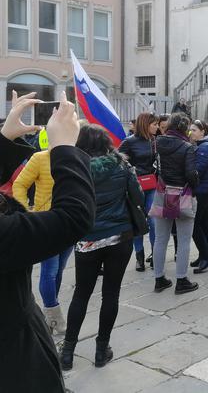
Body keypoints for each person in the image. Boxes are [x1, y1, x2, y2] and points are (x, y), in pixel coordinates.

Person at [1, 91, 95, 392]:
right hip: (17, 361)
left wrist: (5, 138)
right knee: (51, 272)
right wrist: (65, 148)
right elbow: (74, 218)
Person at [60, 124, 143, 371]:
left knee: (81, 294)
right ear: (105, 142)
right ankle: (100, 350)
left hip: (87, 238)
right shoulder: (122, 165)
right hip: (120, 236)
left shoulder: (75, 169)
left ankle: (68, 352)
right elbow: (137, 197)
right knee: (111, 293)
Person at [13, 138, 73, 335]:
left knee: (59, 269)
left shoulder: (76, 157)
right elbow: (20, 185)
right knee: (49, 270)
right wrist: (26, 211)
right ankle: (54, 316)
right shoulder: (40, 157)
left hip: (69, 223)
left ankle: (49, 311)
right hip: (47, 223)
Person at [153, 113, 200, 294]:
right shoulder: (187, 146)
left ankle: (159, 279)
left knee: (160, 239)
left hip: (162, 193)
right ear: (185, 128)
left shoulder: (158, 142)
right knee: (184, 240)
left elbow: (155, 166)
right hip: (182, 195)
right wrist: (196, 180)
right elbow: (190, 173)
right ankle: (181, 280)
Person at [119, 112, 159, 271]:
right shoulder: (129, 141)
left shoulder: (154, 141)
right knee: (137, 220)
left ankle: (156, 255)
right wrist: (131, 172)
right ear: (145, 124)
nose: (157, 127)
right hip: (135, 187)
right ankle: (139, 257)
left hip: (152, 185)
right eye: (154, 124)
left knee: (154, 221)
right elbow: (118, 159)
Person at [189, 119, 208, 273]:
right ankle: (204, 255)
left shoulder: (205, 147)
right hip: (206, 188)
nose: (191, 132)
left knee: (194, 224)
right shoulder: (203, 145)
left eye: (194, 130)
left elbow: (197, 170)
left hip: (202, 190)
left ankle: (206, 257)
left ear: (202, 132)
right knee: (203, 222)